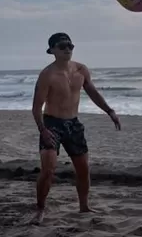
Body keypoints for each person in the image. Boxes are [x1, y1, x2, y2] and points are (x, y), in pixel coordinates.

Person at [30, 32, 121, 225]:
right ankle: (40, 209)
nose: (67, 49)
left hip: (74, 123)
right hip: (52, 124)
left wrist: (110, 111)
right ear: (52, 50)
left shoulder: (81, 70)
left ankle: (84, 206)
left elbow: (93, 92)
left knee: (83, 169)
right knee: (48, 170)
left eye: (70, 46)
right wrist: (43, 130)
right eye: (62, 46)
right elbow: (36, 107)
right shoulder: (47, 75)